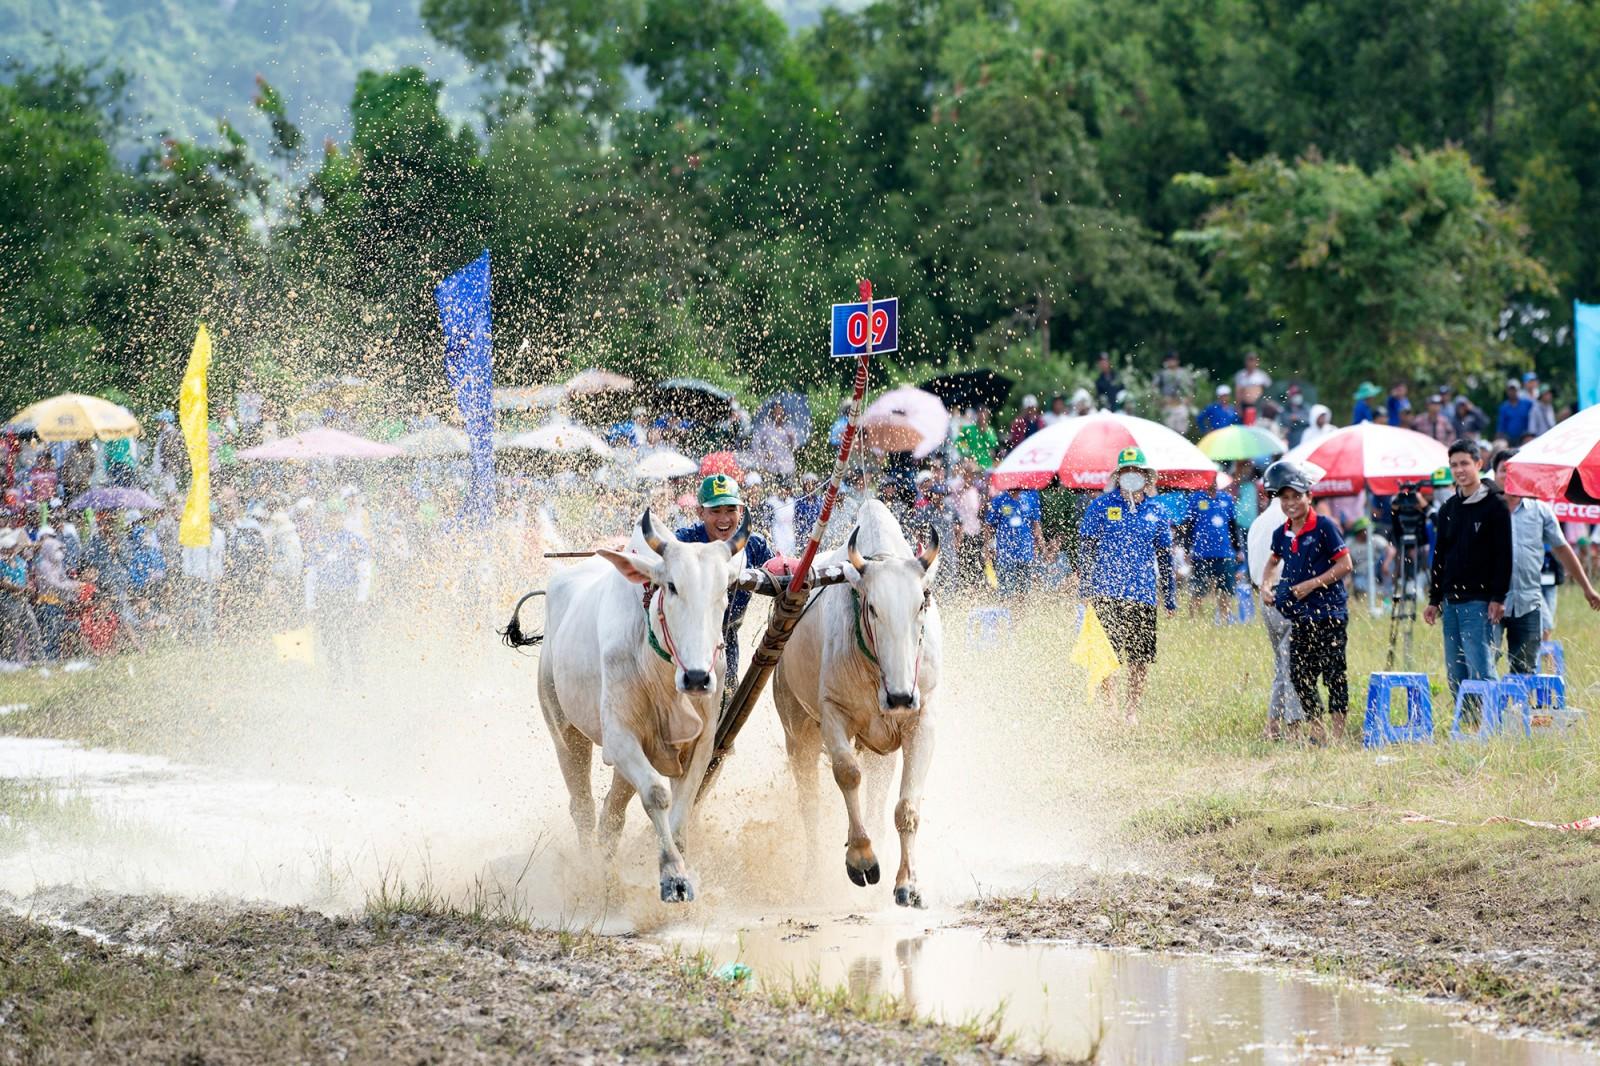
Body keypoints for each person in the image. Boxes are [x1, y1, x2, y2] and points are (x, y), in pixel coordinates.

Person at [1077, 448, 1176, 723]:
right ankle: (1110, 706)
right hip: (1105, 592)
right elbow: (1086, 547)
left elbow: (1165, 558)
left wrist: (1169, 597)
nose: (1132, 476)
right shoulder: (1100, 507)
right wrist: (1085, 588)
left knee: (1139, 657)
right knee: (1107, 654)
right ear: (1118, 476)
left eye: (1137, 471)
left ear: (1146, 477)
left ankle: (1131, 710)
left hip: (1142, 594)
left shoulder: (1157, 510)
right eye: (1126, 471)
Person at [1263, 460, 1353, 744]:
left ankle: (1337, 736)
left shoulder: (1324, 526)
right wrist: (1266, 586)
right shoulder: (1282, 532)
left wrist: (1313, 584)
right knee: (1300, 675)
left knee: (1334, 674)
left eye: (1296, 497)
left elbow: (1345, 565)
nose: (1291, 503)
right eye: (1285, 498)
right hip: (1300, 616)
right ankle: (1317, 731)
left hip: (1330, 612)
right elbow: (1272, 562)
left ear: (1309, 497)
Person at [1489, 449, 1600, 673]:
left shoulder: (1540, 511)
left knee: (1526, 668)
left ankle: (1519, 708)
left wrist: (1587, 588)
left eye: (1516, 471)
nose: (1510, 476)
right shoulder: (1484, 510)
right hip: (1489, 602)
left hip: (1528, 601)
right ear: (1495, 474)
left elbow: (1563, 550)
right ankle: (1483, 708)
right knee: (1485, 665)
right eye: (1504, 471)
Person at [1424, 440, 1512, 718]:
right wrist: (1434, 599)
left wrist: (1498, 597)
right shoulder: (1449, 508)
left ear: (1478, 464)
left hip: (1480, 600)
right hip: (1450, 603)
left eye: (1464, 463)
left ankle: (1494, 725)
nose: (1459, 470)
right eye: (1454, 465)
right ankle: (1469, 725)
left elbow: (1504, 555)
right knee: (1455, 670)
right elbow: (1439, 556)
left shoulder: (1495, 505)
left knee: (1481, 667)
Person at [675, 474, 775, 692]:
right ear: (700, 512)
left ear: (741, 511)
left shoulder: (755, 545)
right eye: (715, 511)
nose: (724, 519)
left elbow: (779, 571)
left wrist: (792, 569)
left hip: (726, 636)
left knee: (728, 692)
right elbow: (657, 561)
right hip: (685, 635)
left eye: (730, 510)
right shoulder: (684, 541)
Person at [1246, 494, 1304, 739]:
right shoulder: (1288, 522)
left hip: (1264, 594)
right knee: (1293, 664)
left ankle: (1273, 725)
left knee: (1283, 664)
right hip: (1286, 592)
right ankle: (1293, 727)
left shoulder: (1258, 521)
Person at [1179, 480, 1241, 620]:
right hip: (1201, 553)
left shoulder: (1226, 498)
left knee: (1225, 590)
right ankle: (1193, 620)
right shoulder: (1196, 498)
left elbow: (1232, 526)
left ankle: (1224, 621)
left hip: (1224, 552)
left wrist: (1237, 550)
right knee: (1198, 589)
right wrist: (1187, 549)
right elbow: (1189, 525)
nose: (1212, 480)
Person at [983, 483, 1043, 598]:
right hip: (1006, 555)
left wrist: (1041, 547)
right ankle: (1007, 613)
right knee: (1006, 592)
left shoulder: (1031, 497)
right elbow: (988, 526)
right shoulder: (999, 500)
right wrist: (987, 547)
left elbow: (1036, 525)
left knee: (1024, 592)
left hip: (1025, 553)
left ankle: (1020, 615)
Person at [0, 527, 43, 663]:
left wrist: (29, 589)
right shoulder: (1, 564)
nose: (15, 549)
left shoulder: (19, 561)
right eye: (12, 547)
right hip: (8, 602)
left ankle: (38, 660)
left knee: (33, 630)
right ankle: (9, 663)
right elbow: (2, 583)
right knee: (9, 634)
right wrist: (19, 589)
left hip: (23, 601)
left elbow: (25, 578)